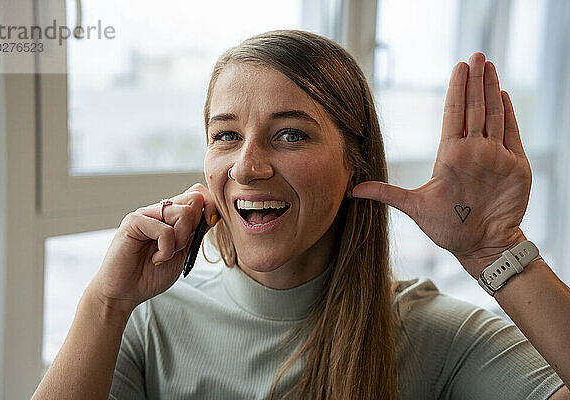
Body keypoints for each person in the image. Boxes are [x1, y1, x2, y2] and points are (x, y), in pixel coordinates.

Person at [31, 30, 570, 400]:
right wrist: (106, 301)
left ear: (354, 164)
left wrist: (494, 251)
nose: (246, 166)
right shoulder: (147, 321)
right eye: (226, 136)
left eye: (290, 134)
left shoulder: (434, 335)